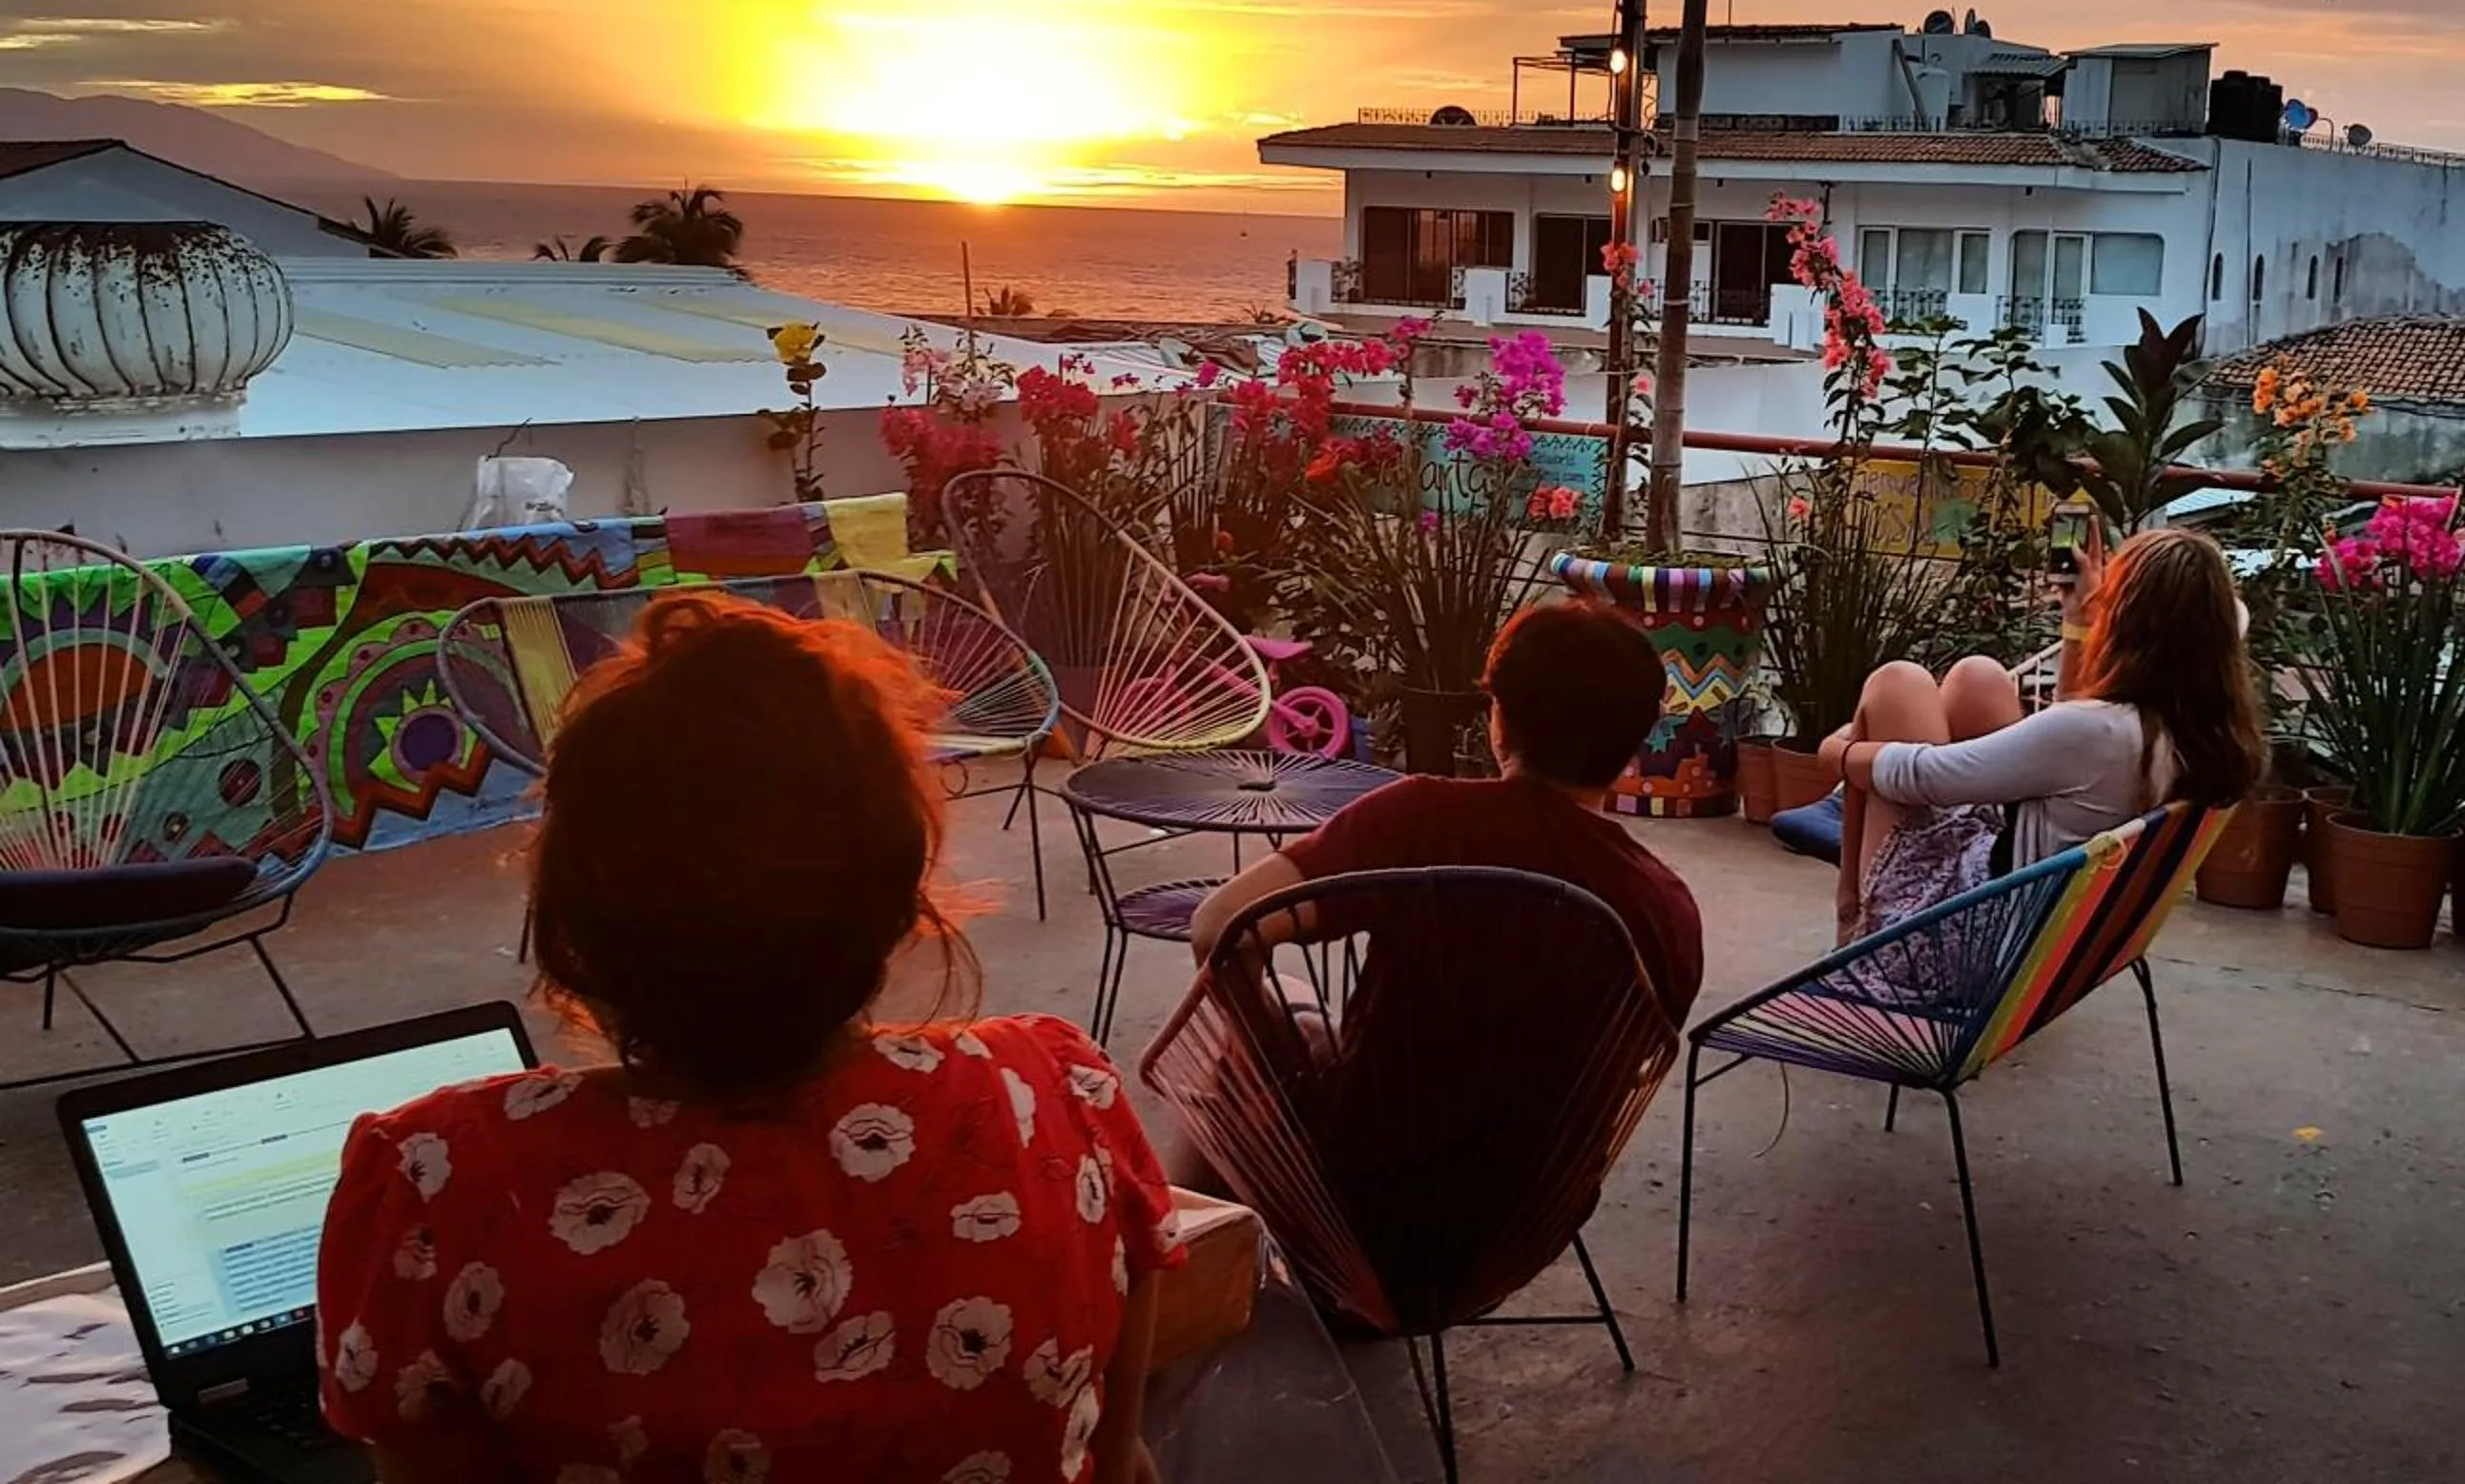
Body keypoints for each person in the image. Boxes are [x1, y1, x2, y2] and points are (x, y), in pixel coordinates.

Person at [317, 594, 1179, 1484]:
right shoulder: (1058, 1096)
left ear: (575, 918)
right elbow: (1122, 1467)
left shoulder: (437, 1188)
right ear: (896, 897)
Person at [1185, 598, 1704, 1022]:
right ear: (1635, 744)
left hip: (1359, 1141)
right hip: (1543, 1152)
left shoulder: (1421, 818)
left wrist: (1261, 1052)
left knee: (1252, 1056)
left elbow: (1218, 926)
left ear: (1497, 718)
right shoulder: (1664, 909)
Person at [1822, 526, 2264, 941]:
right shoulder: (2201, 733)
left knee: (1897, 684)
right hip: (2037, 927)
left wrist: (1837, 750)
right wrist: (2076, 624)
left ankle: (1852, 913)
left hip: (1947, 942)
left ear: (2128, 625)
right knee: (1980, 678)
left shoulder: (2096, 733)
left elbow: (1921, 777)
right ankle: (1850, 902)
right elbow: (2069, 746)